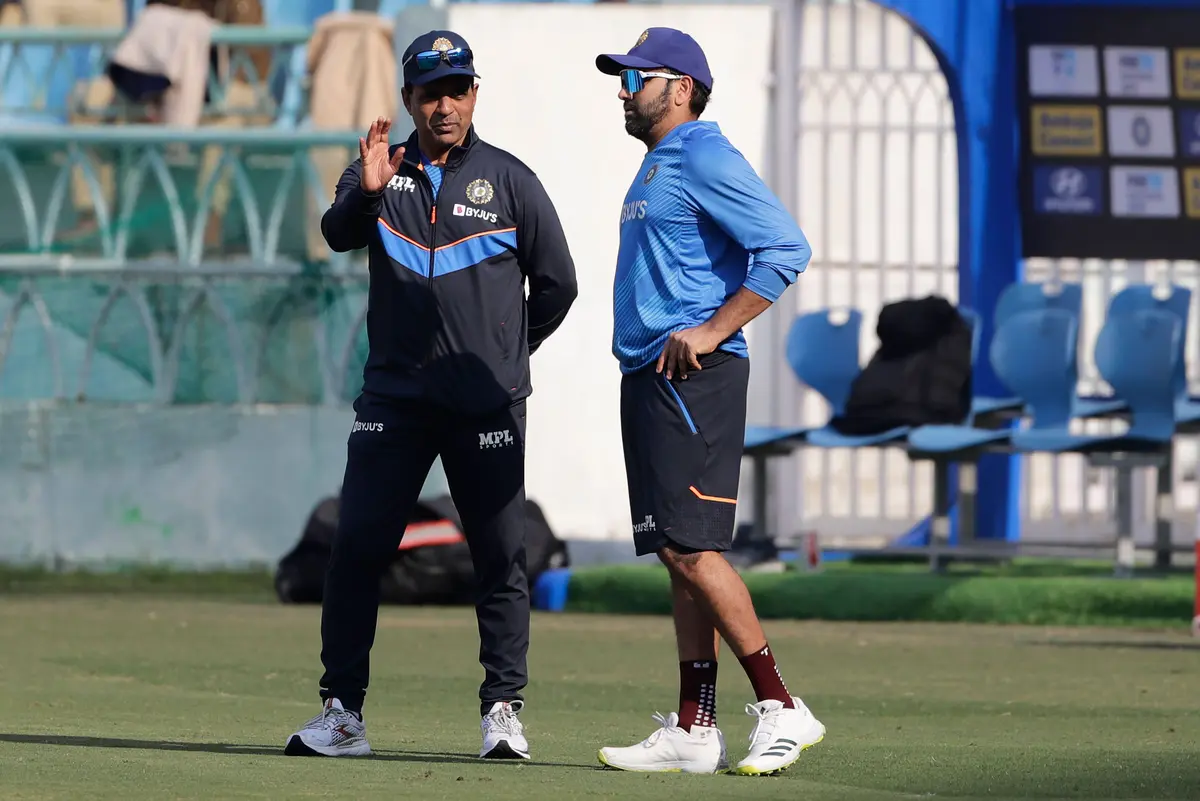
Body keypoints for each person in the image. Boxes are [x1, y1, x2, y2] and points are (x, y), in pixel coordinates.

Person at [285, 30, 578, 761]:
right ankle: (342, 713)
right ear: (409, 99)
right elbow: (337, 234)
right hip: (395, 402)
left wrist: (508, 354)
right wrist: (368, 193)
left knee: (500, 558)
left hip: (486, 405)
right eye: (430, 93)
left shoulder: (511, 181)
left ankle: (502, 712)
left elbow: (558, 285)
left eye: (457, 90)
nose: (445, 105)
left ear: (474, 94)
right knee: (357, 549)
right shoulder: (379, 170)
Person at [592, 28, 825, 776]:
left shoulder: (703, 154)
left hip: (698, 376)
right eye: (623, 78)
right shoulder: (659, 162)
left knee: (695, 548)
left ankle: (783, 706)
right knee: (676, 550)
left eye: (638, 78)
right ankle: (695, 726)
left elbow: (786, 247)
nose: (625, 89)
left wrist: (715, 328)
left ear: (682, 88)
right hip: (651, 375)